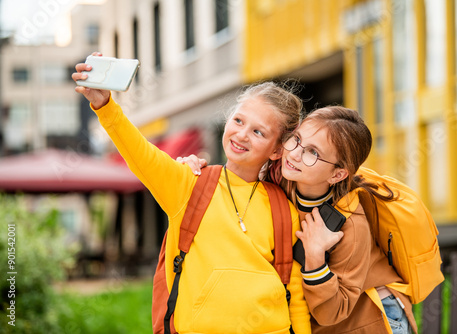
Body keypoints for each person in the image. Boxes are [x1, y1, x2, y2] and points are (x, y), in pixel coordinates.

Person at [72, 54, 311, 334]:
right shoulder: (189, 183)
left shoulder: (283, 206)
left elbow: (295, 290)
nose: (242, 134)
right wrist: (105, 106)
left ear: (276, 150)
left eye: (258, 131)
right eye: (238, 121)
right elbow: (140, 153)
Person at [181, 106, 418, 333]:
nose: (294, 154)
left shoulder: (350, 224)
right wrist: (193, 171)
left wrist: (315, 256)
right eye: (296, 139)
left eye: (313, 153)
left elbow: (332, 313)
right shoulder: (277, 178)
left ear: (337, 174)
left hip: (373, 319)